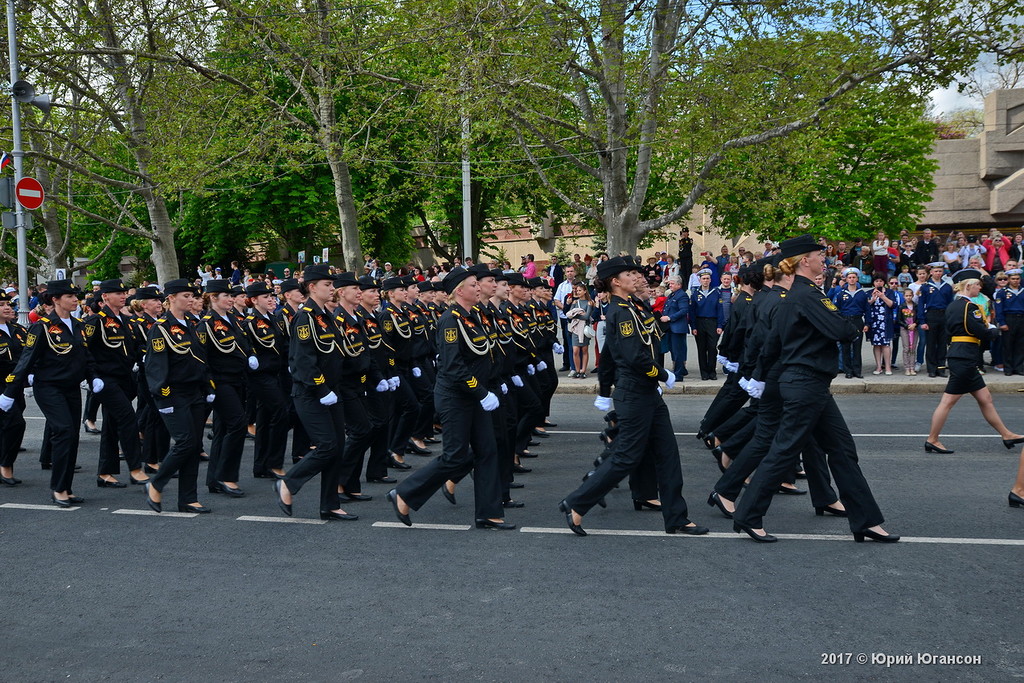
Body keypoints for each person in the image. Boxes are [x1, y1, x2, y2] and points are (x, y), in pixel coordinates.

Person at [731, 235, 898, 543]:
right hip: (806, 383)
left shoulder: (796, 294)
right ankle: (748, 515)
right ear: (804, 261)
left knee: (842, 450)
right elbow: (841, 331)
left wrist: (762, 376)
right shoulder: (807, 294)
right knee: (784, 449)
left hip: (809, 383)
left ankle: (866, 521)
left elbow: (773, 343)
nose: (825, 260)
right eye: (819, 255)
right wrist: (854, 319)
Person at [556, 256, 707, 536]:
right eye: (630, 273)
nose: (637, 276)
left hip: (647, 391)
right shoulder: (620, 311)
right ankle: (577, 502)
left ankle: (676, 517)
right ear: (616, 281)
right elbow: (634, 356)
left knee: (668, 455)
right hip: (635, 392)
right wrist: (663, 374)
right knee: (626, 457)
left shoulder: (633, 306)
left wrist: (604, 388)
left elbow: (613, 354)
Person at [387, 267, 513, 530]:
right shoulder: (450, 320)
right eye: (473, 285)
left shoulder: (474, 315)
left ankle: (488, 513)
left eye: (479, 284)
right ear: (458, 291)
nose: (478, 288)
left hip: (476, 395)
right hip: (456, 397)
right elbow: (453, 367)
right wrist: (481, 392)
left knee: (487, 450)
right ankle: (405, 493)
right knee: (455, 456)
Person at [1, 280, 99, 507]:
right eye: (69, 296)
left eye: (76, 296)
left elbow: (86, 356)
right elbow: (26, 360)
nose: (75, 299)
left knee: (72, 435)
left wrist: (94, 377)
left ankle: (66, 486)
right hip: (49, 388)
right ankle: (58, 489)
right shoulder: (42, 326)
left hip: (71, 388)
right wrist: (10, 391)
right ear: (55, 300)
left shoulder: (78, 325)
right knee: (64, 430)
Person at [274, 264, 358, 521]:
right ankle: (288, 482)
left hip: (332, 391)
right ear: (312, 287)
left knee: (337, 447)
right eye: (327, 285)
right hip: (311, 393)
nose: (332, 288)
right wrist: (321, 387)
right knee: (326, 445)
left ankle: (330, 504)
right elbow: (302, 360)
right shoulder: (306, 316)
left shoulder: (324, 315)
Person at [923, 269, 1024, 455]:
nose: (979, 287)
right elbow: (981, 332)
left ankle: (1006, 434)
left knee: (986, 399)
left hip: (960, 354)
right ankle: (932, 439)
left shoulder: (953, 305)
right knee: (947, 402)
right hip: (964, 358)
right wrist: (994, 331)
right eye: (977, 284)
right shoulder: (969, 307)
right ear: (968, 285)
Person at [142, 279, 215, 514]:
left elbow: (200, 360)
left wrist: (208, 387)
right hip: (172, 394)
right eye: (185, 295)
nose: (191, 300)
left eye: (192, 296)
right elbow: (155, 368)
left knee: (194, 446)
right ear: (171, 298)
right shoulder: (161, 328)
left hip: (194, 392)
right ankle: (156, 482)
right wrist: (164, 396)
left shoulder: (193, 323)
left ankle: (188, 498)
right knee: (185, 442)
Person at [83, 279, 148, 488]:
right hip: (106, 380)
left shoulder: (127, 321)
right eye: (117, 293)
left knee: (111, 425)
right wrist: (93, 377)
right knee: (128, 418)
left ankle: (105, 473)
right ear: (104, 297)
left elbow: (137, 348)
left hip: (125, 379)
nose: (123, 296)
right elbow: (85, 352)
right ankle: (136, 468)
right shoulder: (96, 322)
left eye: (124, 293)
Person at [243, 281, 289, 479]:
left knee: (264, 418)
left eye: (272, 296)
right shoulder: (249, 322)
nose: (271, 299)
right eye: (266, 297)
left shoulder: (274, 319)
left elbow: (283, 344)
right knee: (281, 413)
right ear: (254, 301)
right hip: (260, 376)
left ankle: (261, 465)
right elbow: (247, 346)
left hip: (275, 374)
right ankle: (274, 463)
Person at [0, 288, 28, 486]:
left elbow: (26, 356)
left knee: (9, 425)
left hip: (15, 385)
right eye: (2, 305)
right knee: (16, 423)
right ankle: (5, 466)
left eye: (7, 304)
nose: (7, 307)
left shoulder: (18, 330)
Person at [688, 269, 725, 380]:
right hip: (699, 322)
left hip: (712, 322)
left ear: (710, 280)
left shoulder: (716, 293)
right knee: (702, 348)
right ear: (699, 280)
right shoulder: (695, 294)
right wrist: (693, 327)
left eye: (707, 279)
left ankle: (712, 372)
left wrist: (720, 325)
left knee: (712, 348)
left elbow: (720, 310)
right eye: (703, 279)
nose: (705, 281)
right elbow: (692, 312)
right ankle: (704, 372)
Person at [918, 262, 953, 377]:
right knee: (931, 344)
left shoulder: (947, 287)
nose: (938, 273)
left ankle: (941, 368)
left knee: (942, 344)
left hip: (943, 316)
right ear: (931, 272)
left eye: (940, 271)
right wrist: (922, 321)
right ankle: (931, 369)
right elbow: (921, 305)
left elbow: (950, 304)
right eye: (936, 271)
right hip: (931, 316)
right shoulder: (925, 287)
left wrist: (950, 319)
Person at [994, 268, 1024, 376]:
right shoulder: (1002, 293)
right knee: (1007, 345)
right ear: (1009, 280)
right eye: (1013, 279)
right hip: (1009, 319)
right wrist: (1002, 322)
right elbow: (998, 309)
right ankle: (1008, 368)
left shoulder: (1023, 291)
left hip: (1021, 319)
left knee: (1020, 345)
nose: (1016, 281)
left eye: (1017, 278)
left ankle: (1019, 367)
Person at [865, 275, 896, 375]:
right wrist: (873, 299)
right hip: (874, 321)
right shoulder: (868, 293)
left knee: (886, 344)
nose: (879, 283)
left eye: (881, 281)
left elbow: (893, 305)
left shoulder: (889, 292)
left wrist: (883, 296)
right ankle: (878, 366)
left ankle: (888, 367)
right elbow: (865, 306)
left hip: (885, 321)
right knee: (876, 345)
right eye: (876, 281)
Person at [565, 281, 594, 378]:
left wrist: (576, 316)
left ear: (585, 291)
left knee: (584, 349)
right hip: (575, 329)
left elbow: (586, 316)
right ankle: (577, 370)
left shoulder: (589, 302)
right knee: (575, 350)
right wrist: (577, 315)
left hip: (584, 328)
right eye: (577, 290)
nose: (577, 292)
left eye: (580, 290)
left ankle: (583, 370)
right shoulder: (575, 302)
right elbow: (569, 315)